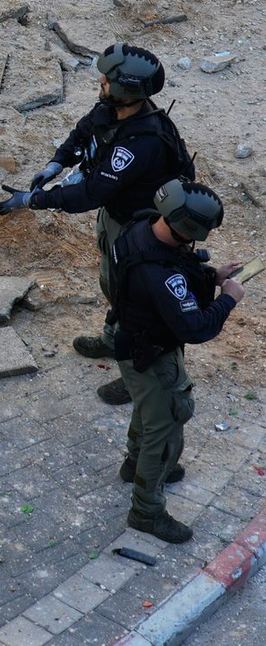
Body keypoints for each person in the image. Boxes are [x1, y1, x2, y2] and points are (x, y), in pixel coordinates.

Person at [0, 43, 193, 405]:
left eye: (107, 80)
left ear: (127, 89)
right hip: (120, 219)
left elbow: (90, 193)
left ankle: (141, 377)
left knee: (143, 307)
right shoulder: (115, 109)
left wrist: (32, 200)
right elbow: (83, 132)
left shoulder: (141, 143)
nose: (100, 82)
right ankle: (114, 341)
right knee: (114, 287)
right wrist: (56, 164)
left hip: (147, 235)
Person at [109, 180, 242, 543]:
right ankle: (146, 511)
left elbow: (171, 269)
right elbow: (195, 327)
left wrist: (211, 277)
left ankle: (134, 464)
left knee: (147, 409)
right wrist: (228, 299)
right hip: (154, 355)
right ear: (188, 228)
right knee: (165, 429)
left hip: (131, 341)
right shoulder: (161, 274)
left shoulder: (141, 226)